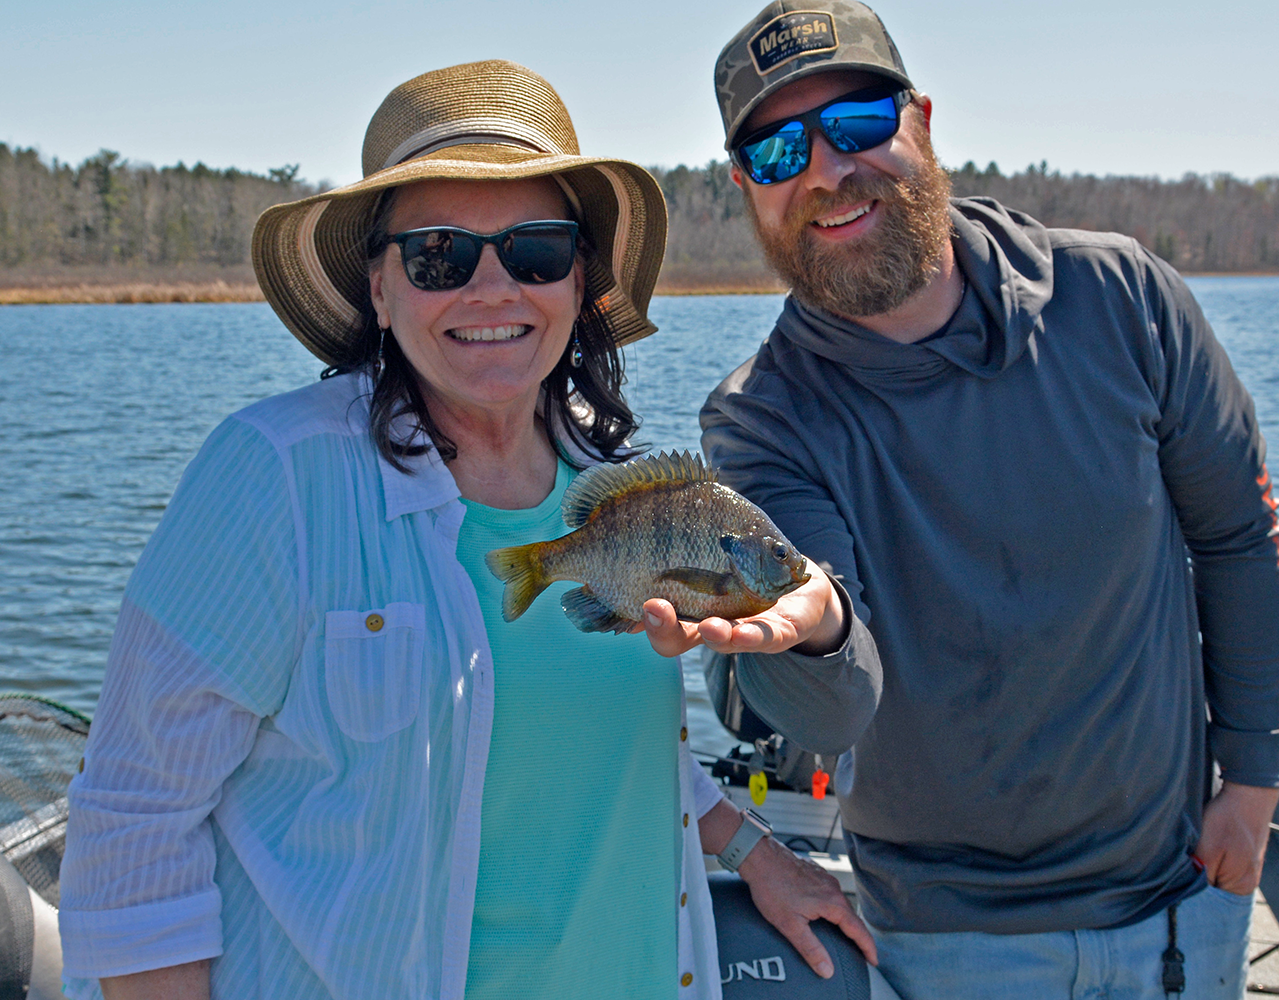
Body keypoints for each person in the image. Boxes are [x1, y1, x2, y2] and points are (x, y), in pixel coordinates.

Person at [57, 59, 878, 1000]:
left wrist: (755, 851)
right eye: (439, 255)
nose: (493, 290)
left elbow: (600, 752)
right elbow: (135, 818)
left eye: (535, 250)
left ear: (578, 279)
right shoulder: (273, 476)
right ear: (378, 287)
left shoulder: (611, 492)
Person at [691, 2, 1279, 998]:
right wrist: (816, 633)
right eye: (781, 147)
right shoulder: (760, 423)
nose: (827, 170)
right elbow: (830, 699)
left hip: (1183, 899)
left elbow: (1237, 536)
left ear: (919, 118)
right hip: (941, 942)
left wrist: (1255, 776)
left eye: (860, 122)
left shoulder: (1125, 298)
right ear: (749, 185)